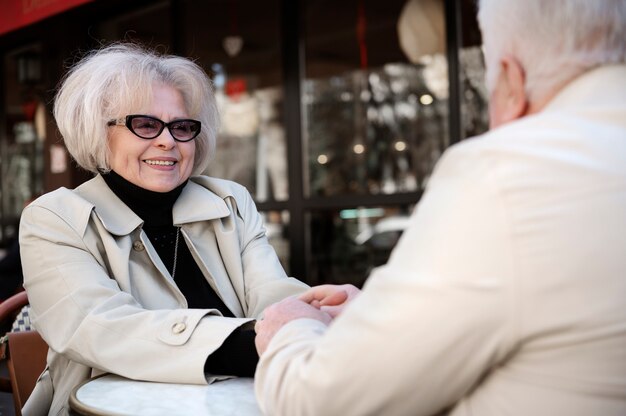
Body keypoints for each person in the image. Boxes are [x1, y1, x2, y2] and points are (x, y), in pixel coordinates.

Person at [254, 1, 626, 415]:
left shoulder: (503, 174)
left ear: (511, 82)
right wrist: (379, 317)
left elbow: (319, 401)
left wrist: (289, 330)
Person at [19, 43, 308, 416]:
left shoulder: (231, 202)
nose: (168, 140)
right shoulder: (54, 218)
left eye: (182, 126)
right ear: (97, 130)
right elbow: (100, 329)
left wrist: (308, 315)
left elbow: (274, 296)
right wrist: (257, 342)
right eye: (145, 124)